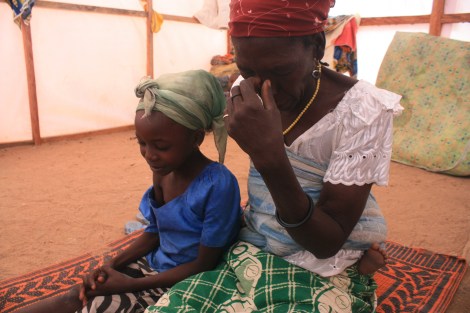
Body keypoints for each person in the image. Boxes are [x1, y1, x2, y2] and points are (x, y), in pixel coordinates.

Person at [145, 1, 403, 312]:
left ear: (317, 46)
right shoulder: (245, 90)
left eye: (281, 70)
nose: (264, 87)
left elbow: (325, 242)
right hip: (256, 245)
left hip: (325, 263)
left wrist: (269, 156)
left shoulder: (365, 111)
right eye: (247, 70)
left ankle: (359, 272)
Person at [16, 69, 242, 313]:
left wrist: (133, 284)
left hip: (190, 280)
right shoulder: (164, 170)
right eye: (141, 143)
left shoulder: (218, 185)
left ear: (196, 138)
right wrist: (110, 265)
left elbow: (204, 264)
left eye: (161, 146)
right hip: (155, 267)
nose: (149, 155)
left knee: (101, 307)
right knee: (80, 294)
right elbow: (155, 231)